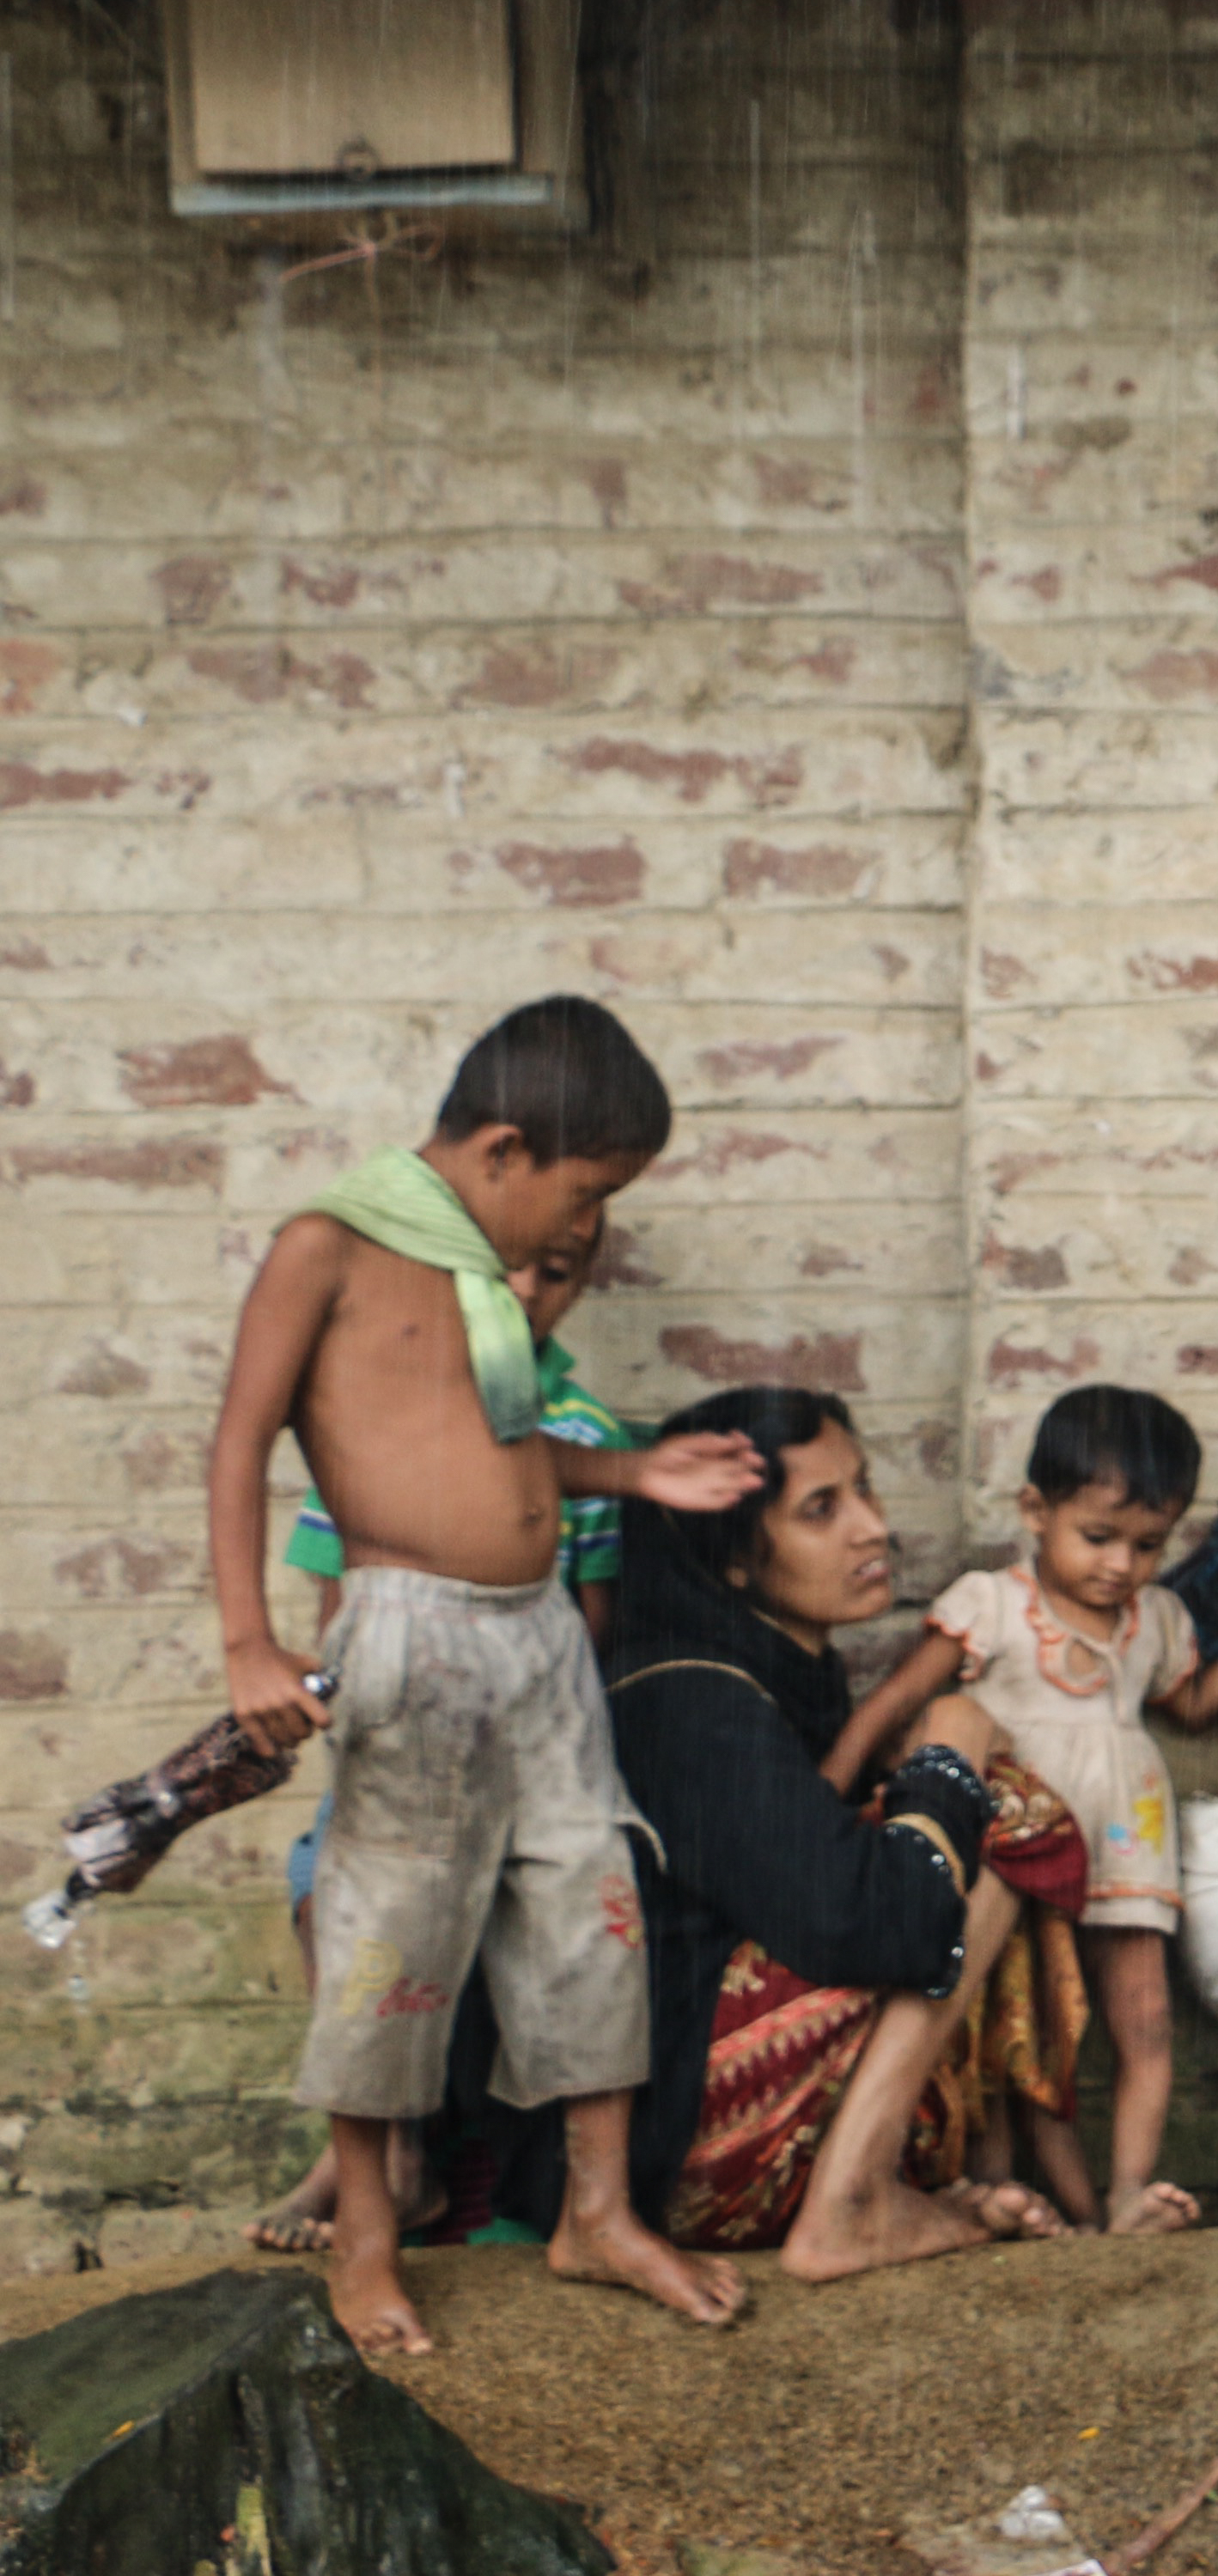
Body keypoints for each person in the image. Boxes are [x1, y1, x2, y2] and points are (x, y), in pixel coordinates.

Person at [201, 996, 755, 2355]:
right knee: (393, 1922)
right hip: (411, 1634)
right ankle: (371, 2244)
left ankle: (599, 2214)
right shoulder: (330, 1247)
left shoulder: (479, 1279)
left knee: (593, 1896)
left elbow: (499, 1455)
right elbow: (238, 1442)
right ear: (504, 1150)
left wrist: (634, 1472)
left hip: (540, 1635)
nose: (580, 1233)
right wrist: (247, 1643)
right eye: (582, 1195)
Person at [558, 1389, 1096, 2279]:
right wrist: (951, 1742)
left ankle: (915, 2176)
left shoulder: (767, 1669)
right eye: (822, 1509)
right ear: (729, 1558)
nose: (872, 1529)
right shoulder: (689, 1699)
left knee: (949, 1810)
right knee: (1006, 1808)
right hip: (685, 2144)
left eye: (865, 1491)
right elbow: (872, 1931)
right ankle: (851, 2202)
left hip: (715, 2110)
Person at [247, 1204, 632, 2259]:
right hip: (397, 1725)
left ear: (586, 1279)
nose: (521, 1291)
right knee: (330, 1884)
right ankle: (384, 2159)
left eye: (553, 1271)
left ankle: (537, 2187)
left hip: (529, 1737)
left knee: (565, 1917)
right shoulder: (379, 1408)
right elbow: (338, 1611)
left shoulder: (588, 1434)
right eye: (498, 1264)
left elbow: (589, 1623)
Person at [858, 1384, 1218, 2235]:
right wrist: (828, 1780)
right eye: (1097, 1537)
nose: (1120, 1566)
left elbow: (1196, 1703)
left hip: (1129, 1847)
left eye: (1148, 1545)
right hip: (1015, 1851)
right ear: (1035, 1508)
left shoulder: (1159, 1617)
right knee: (1013, 2032)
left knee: (1145, 2023)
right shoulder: (991, 1603)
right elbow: (895, 1703)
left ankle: (1130, 2195)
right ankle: (1008, 2192)